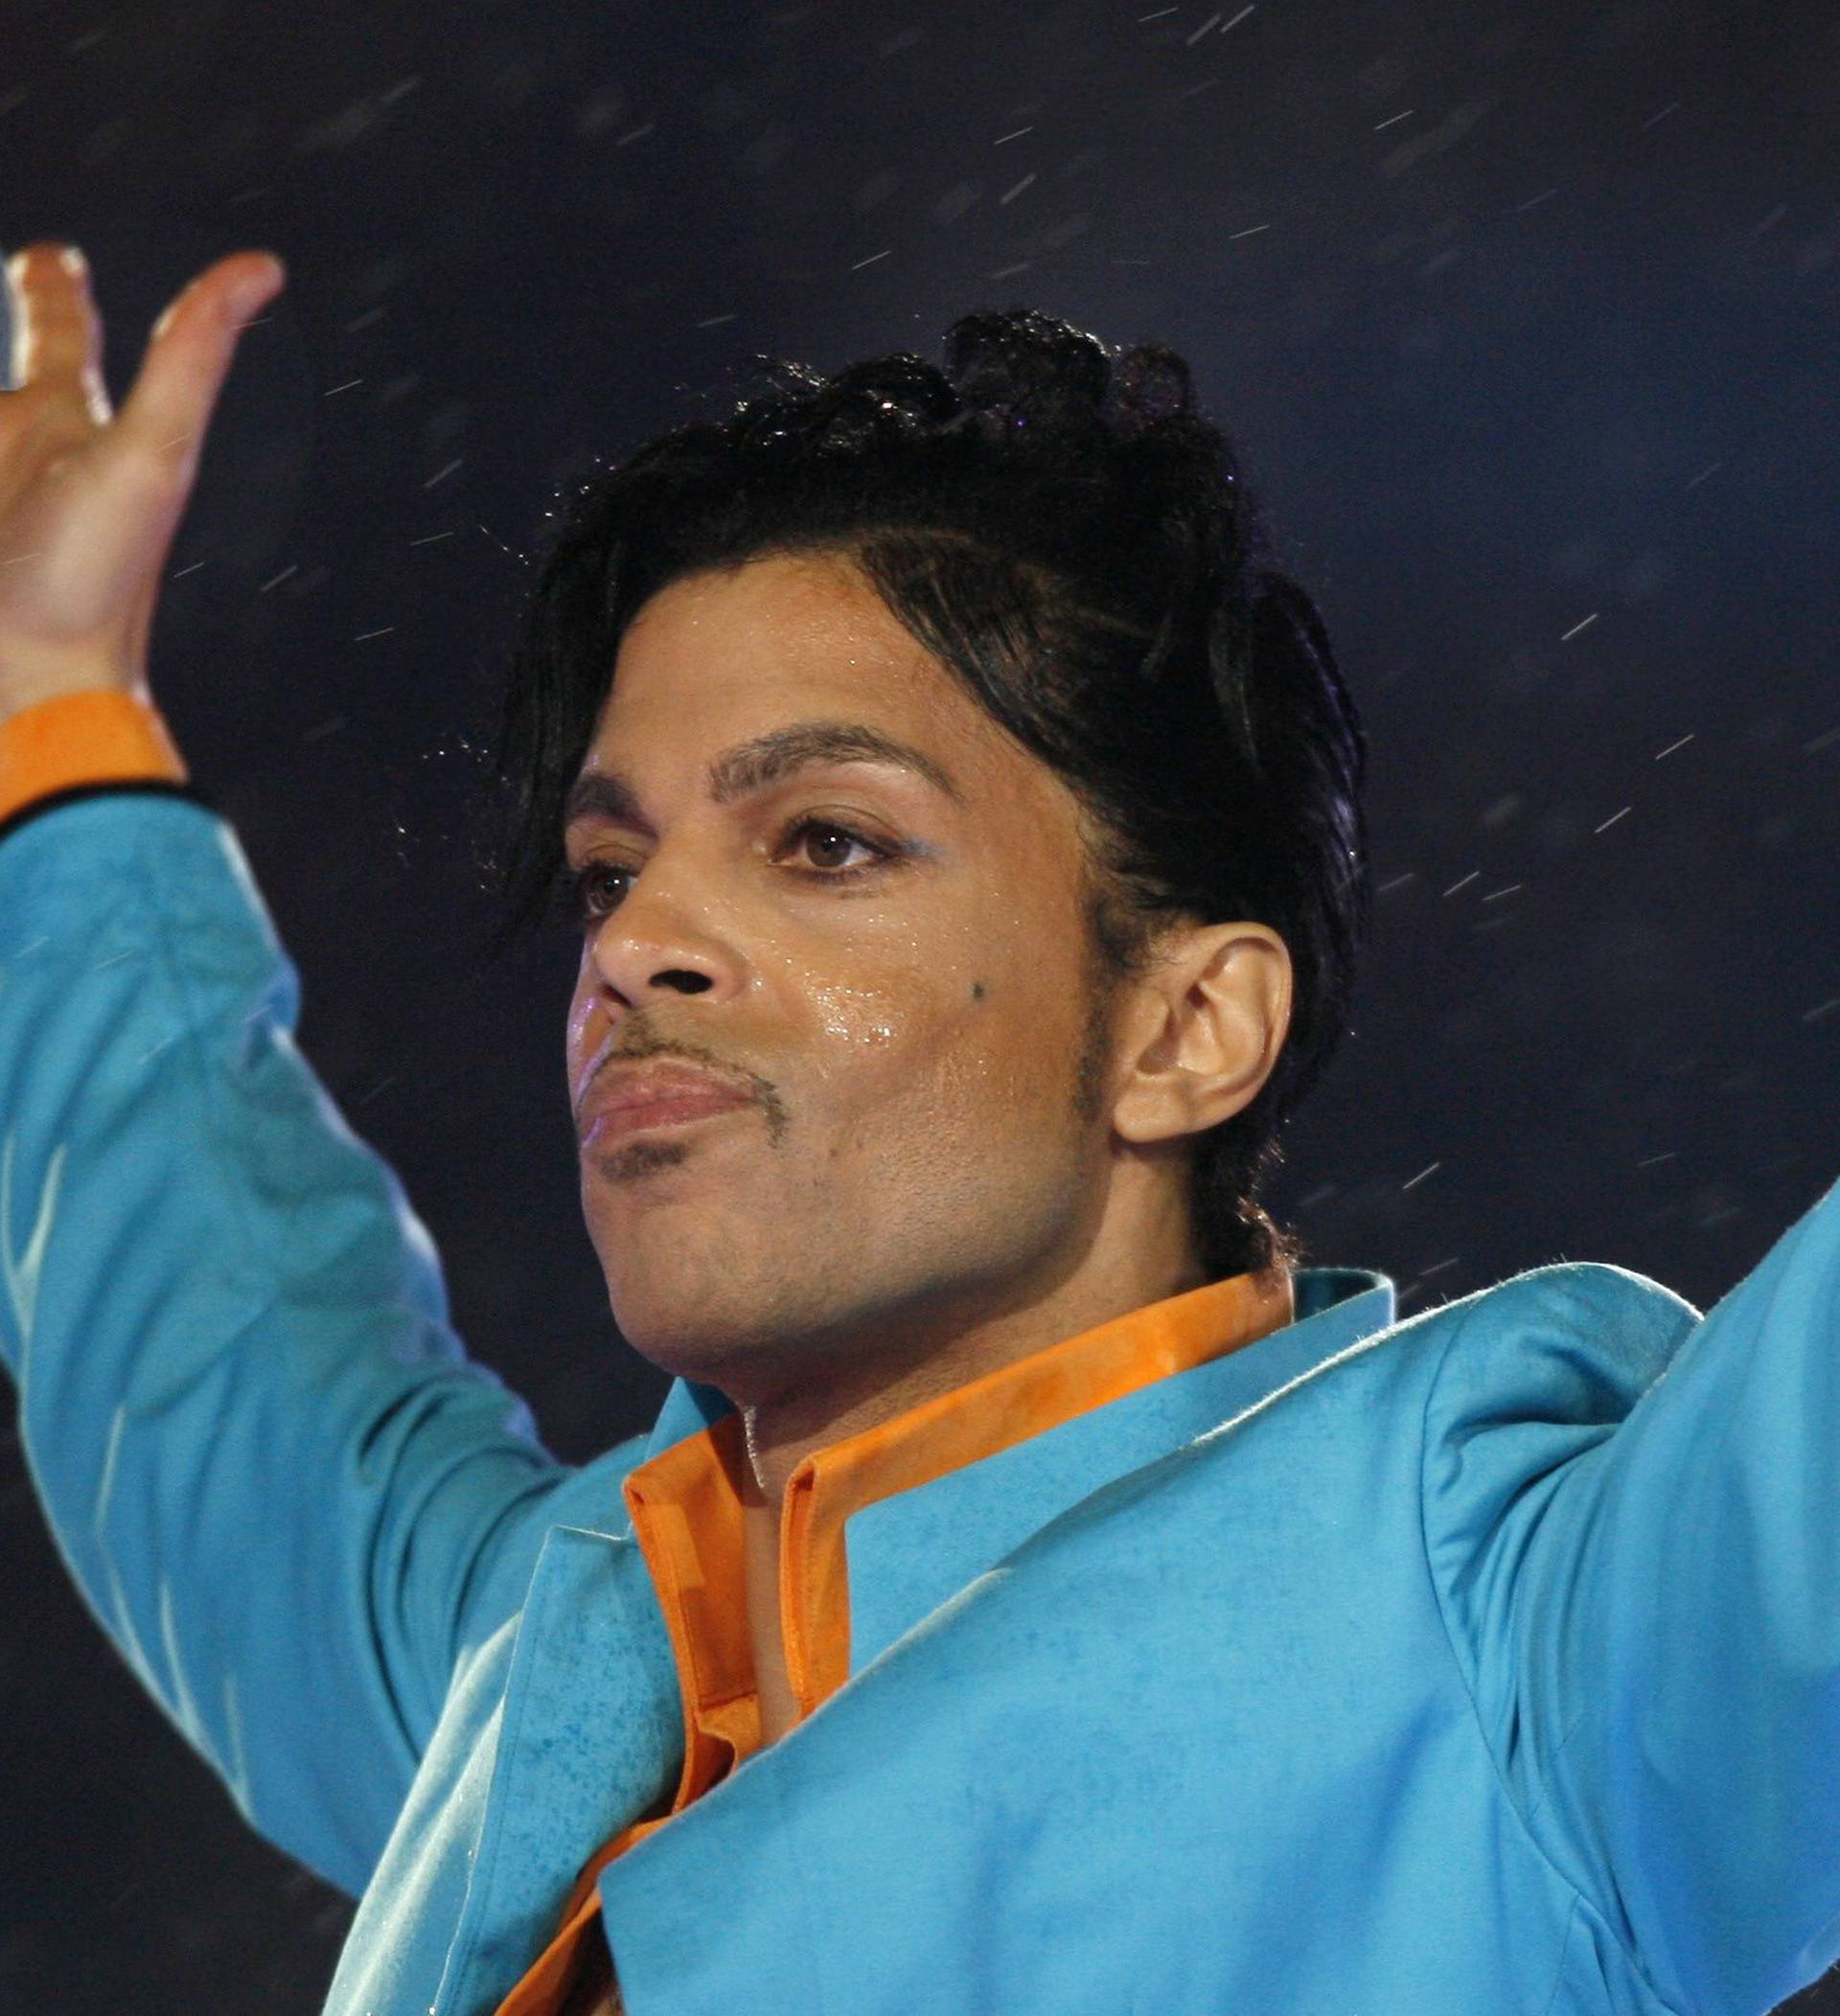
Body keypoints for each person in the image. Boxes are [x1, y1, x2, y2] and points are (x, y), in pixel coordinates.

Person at [0, 241, 1835, 2016]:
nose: (637, 944)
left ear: (1188, 1029)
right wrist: (48, 712)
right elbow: (216, 1355)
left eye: (828, 841)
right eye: (610, 868)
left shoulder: (1513, 1630)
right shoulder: (556, 1658)